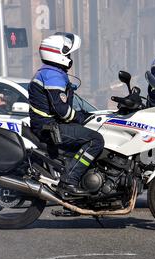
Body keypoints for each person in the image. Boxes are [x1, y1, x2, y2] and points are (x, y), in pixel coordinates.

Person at [28, 32, 104, 196]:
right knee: (96, 140)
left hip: (48, 125)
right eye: (67, 53)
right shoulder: (52, 75)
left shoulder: (49, 72)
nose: (70, 57)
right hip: (49, 127)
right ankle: (69, 180)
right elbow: (61, 110)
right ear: (57, 53)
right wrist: (81, 117)